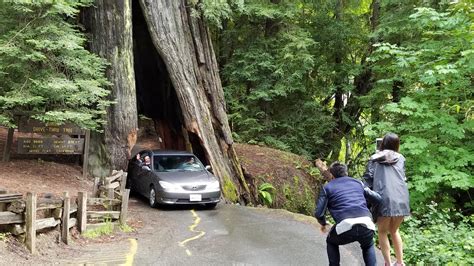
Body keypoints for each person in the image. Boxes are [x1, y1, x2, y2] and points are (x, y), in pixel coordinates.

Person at [314, 161, 382, 266]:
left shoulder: (327, 187)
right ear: (346, 172)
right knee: (368, 245)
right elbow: (377, 198)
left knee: (331, 241)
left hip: (345, 226)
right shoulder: (358, 183)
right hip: (366, 224)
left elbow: (319, 213)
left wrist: (323, 224)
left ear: (331, 174)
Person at [363, 133, 410, 266]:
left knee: (382, 232)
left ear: (382, 144)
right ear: (396, 144)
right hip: (401, 198)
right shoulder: (401, 158)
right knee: (395, 231)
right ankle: (400, 263)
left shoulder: (374, 159)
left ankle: (388, 264)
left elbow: (367, 180)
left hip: (383, 198)